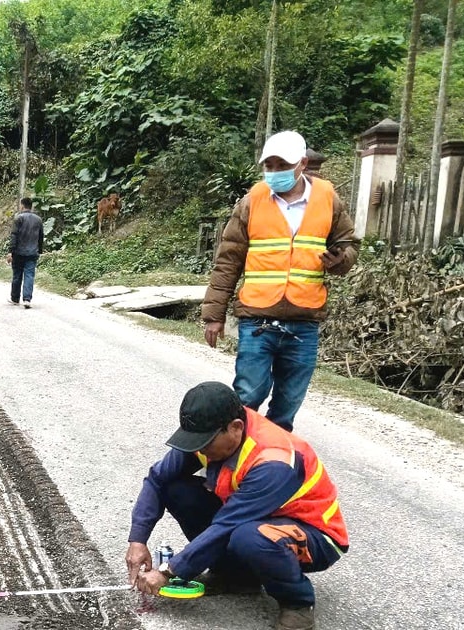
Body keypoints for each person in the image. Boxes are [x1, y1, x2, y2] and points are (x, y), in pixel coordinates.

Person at [127, 382, 348, 630]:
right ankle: (236, 577)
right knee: (176, 489)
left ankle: (297, 603)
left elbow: (228, 524)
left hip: (314, 535)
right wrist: (138, 539)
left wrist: (168, 571)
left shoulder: (274, 459)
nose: (200, 450)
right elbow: (158, 479)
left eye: (206, 443)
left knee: (250, 537)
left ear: (235, 428)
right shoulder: (206, 435)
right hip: (255, 520)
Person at [201, 130, 359, 431]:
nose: (273, 172)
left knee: (287, 404)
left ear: (301, 163)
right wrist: (213, 316)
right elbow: (227, 261)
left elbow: (349, 245)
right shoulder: (252, 201)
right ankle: (232, 460)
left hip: (304, 320)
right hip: (257, 320)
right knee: (248, 395)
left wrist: (340, 260)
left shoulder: (327, 198)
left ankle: (268, 464)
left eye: (281, 165)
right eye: (268, 166)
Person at [5, 197, 44, 308]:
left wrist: (10, 252)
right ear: (31, 206)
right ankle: (27, 299)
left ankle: (15, 298)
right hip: (32, 253)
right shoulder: (38, 220)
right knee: (29, 275)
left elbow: (14, 236)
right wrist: (39, 250)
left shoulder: (19, 218)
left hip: (18, 252)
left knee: (17, 275)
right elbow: (41, 237)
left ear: (22, 205)